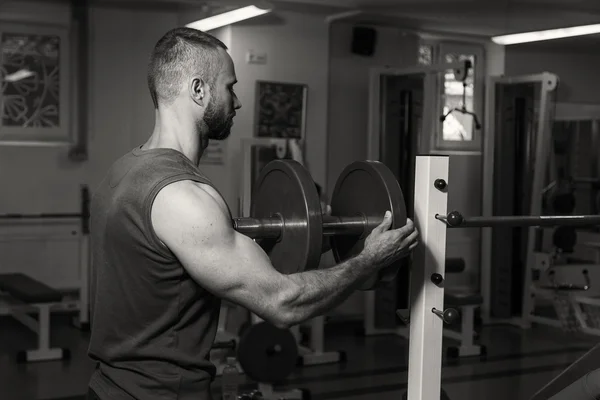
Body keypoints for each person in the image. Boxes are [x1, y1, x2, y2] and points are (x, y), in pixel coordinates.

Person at [86, 27, 419, 400]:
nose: (237, 101)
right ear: (199, 90)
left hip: (108, 388)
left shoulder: (121, 173)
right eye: (229, 86)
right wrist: (367, 260)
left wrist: (310, 233)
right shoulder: (184, 197)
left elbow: (169, 267)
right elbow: (282, 304)